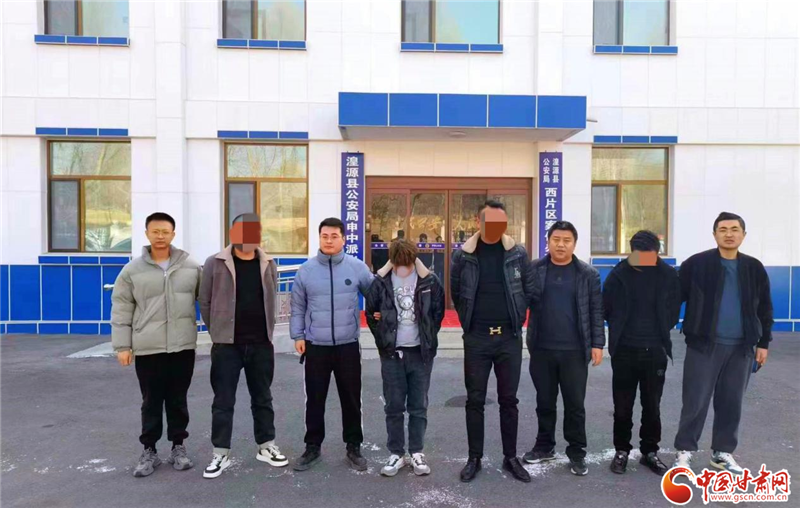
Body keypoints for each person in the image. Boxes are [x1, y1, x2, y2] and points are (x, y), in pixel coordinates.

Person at [673, 212, 773, 474]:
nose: (729, 234)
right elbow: (674, 297)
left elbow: (765, 308)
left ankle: (722, 452)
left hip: (742, 348)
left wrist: (763, 343)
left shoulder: (753, 268)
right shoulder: (697, 264)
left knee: (731, 402)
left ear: (743, 235)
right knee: (695, 401)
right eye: (723, 229)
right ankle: (685, 450)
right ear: (714, 234)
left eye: (735, 229)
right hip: (703, 345)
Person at [111, 212, 201, 478]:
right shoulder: (132, 270)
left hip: (182, 346)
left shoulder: (191, 267)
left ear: (173, 234)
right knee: (151, 401)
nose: (160, 236)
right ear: (147, 234)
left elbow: (208, 302)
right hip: (148, 348)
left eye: (165, 232)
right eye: (155, 231)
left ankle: (178, 447)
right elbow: (121, 308)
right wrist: (122, 346)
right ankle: (149, 449)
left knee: (178, 399)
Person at [198, 213, 288, 479]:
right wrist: (218, 331)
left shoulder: (267, 263)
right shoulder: (215, 263)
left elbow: (271, 297)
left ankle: (266, 446)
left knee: (263, 398)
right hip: (227, 346)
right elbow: (205, 301)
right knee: (223, 400)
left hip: (261, 344)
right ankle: (221, 452)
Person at [451, 200, 533, 483]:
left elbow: (527, 289)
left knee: (509, 400)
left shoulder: (517, 253)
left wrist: (518, 318)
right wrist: (470, 324)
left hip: (508, 338)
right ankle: (474, 458)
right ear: (478, 222)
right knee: (475, 400)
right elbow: (457, 292)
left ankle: (510, 457)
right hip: (477, 339)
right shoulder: (463, 255)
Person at [290, 218, 375, 472]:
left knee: (351, 398)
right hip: (316, 345)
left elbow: (376, 295)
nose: (329, 240)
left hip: (348, 345)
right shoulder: (306, 271)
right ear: (319, 238)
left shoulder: (357, 268)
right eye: (325, 236)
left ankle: (353, 446)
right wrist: (298, 336)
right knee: (315, 399)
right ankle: (312, 446)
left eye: (334, 236)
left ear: (343, 239)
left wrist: (381, 318)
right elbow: (298, 307)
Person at [524, 221, 604, 476]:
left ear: (574, 244)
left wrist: (598, 344)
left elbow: (596, 310)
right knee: (544, 402)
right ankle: (544, 446)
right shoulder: (534, 269)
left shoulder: (587, 274)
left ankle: (577, 452)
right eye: (556, 239)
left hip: (574, 351)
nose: (561, 244)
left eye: (566, 240)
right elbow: (521, 300)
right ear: (548, 241)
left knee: (575, 405)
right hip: (542, 348)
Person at [602, 231, 681, 475]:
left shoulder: (668, 275)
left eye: (650, 255)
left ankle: (650, 452)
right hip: (624, 351)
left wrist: (658, 331)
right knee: (622, 406)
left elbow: (673, 308)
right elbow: (607, 307)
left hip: (655, 351)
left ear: (657, 252)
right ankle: (621, 450)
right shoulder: (619, 274)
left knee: (652, 405)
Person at [366, 239, 445, 477]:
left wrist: (427, 337)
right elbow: (371, 314)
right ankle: (396, 453)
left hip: (420, 353)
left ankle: (417, 451)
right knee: (394, 406)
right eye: (399, 263)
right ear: (392, 260)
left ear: (413, 259)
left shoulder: (429, 281)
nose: (404, 268)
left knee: (419, 405)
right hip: (392, 354)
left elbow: (437, 313)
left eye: (407, 264)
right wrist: (383, 338)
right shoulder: (381, 282)